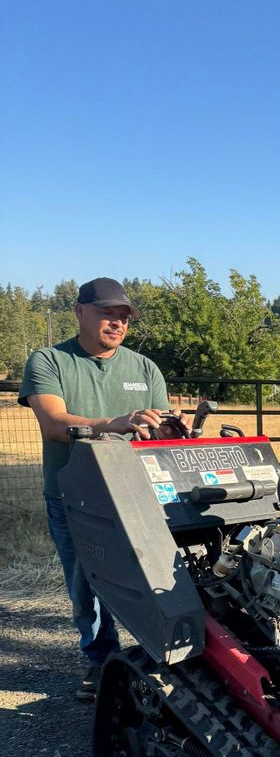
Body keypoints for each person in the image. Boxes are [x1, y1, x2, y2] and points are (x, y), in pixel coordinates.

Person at [18, 277, 181, 701]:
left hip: (141, 494)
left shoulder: (144, 368)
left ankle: (169, 657)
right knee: (86, 585)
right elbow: (54, 425)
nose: (117, 322)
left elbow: (159, 432)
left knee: (165, 578)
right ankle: (101, 659)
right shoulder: (50, 361)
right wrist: (114, 423)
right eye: (108, 313)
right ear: (80, 312)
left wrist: (170, 428)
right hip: (76, 496)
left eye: (124, 316)